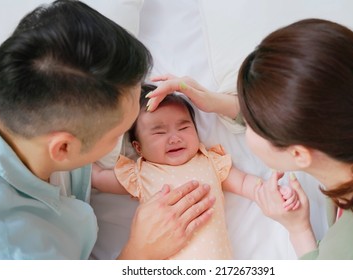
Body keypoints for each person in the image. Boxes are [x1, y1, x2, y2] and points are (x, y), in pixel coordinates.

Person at [147, 19, 353, 259]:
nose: (245, 123)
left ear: (299, 155)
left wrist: (298, 229)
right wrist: (217, 101)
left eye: (251, 123)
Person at [0, 0, 216, 260]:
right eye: (118, 135)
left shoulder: (20, 80)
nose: (123, 141)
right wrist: (138, 253)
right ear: (64, 148)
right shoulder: (7, 253)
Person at [91, 84, 299, 259]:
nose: (174, 138)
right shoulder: (139, 173)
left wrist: (270, 191)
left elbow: (245, 183)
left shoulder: (210, 161)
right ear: (138, 148)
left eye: (183, 128)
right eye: (159, 132)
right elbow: (99, 178)